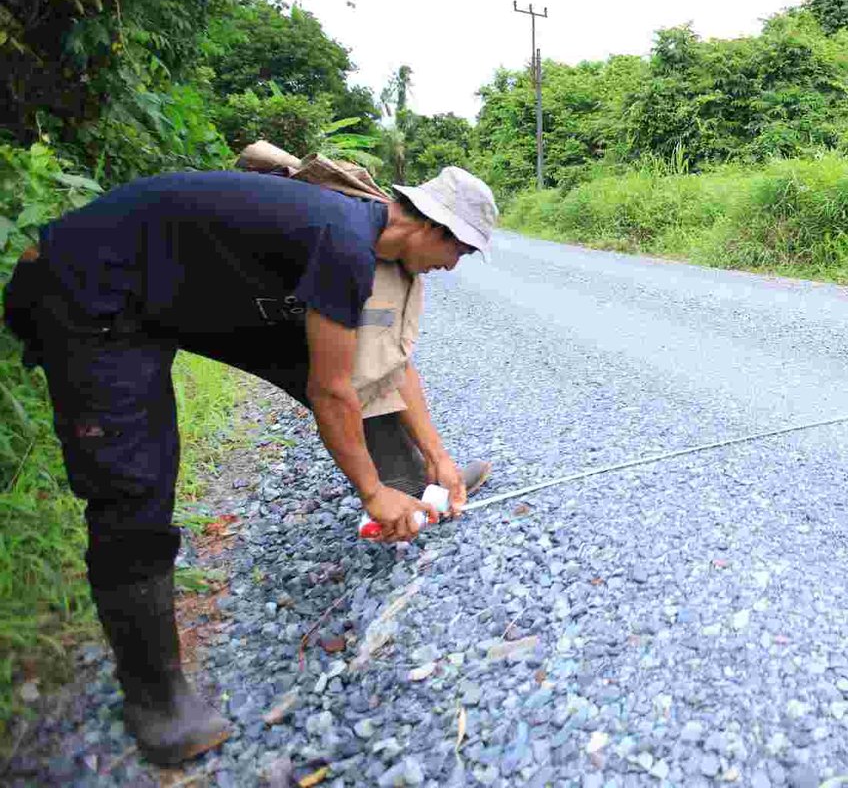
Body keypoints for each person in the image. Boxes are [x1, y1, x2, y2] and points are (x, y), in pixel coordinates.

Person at [1, 165, 498, 766]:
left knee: (330, 355)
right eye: (462, 249)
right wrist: (368, 496)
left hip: (178, 295)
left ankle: (414, 486)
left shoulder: (370, 240)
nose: (456, 265)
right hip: (91, 292)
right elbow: (331, 392)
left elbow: (384, 363)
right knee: (132, 481)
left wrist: (440, 460)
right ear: (432, 229)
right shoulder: (343, 242)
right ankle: (155, 697)